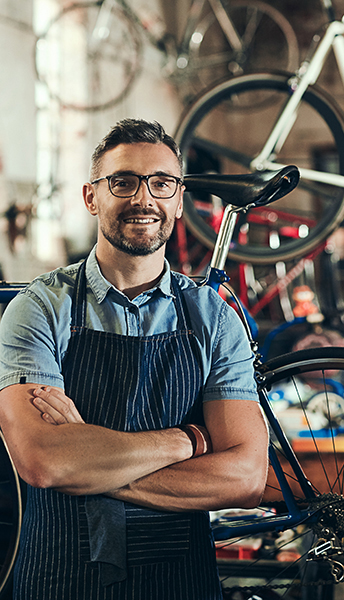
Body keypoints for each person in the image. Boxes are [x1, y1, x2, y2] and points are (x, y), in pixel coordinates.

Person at [0, 119, 269, 600]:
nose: (143, 199)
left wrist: (88, 466)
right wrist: (187, 440)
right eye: (122, 181)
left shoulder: (214, 320)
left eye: (161, 182)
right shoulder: (39, 309)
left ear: (179, 199)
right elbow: (44, 462)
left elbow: (246, 477)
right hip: (59, 580)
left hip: (179, 585)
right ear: (91, 197)